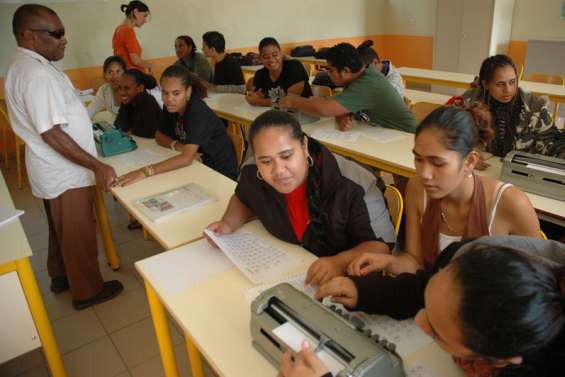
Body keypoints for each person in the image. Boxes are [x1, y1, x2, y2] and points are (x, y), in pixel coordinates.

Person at [283, 236, 565, 377]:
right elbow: (424, 286)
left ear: (500, 360)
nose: (420, 320)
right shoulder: (474, 253)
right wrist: (364, 291)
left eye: (437, 332)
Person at [5, 4, 122, 310]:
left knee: (61, 230)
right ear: (29, 35)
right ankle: (87, 291)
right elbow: (52, 133)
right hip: (63, 171)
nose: (63, 39)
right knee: (78, 231)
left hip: (52, 168)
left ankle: (60, 276)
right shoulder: (36, 75)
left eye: (63, 32)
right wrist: (97, 165)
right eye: (55, 34)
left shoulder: (30, 66)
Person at [342, 106, 541, 278]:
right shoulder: (417, 188)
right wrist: (386, 262)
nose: (425, 174)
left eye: (437, 163)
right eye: (418, 159)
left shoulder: (511, 204)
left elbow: (538, 285)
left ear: (470, 162)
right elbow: (415, 262)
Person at [206, 110, 396, 286]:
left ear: (304, 146)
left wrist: (339, 262)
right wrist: (227, 224)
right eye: (265, 161)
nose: (278, 170)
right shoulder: (253, 172)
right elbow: (243, 197)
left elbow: (381, 247)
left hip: (347, 284)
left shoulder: (355, 185)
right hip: (284, 274)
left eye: (287, 156)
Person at [114, 65, 238, 185]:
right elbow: (159, 136)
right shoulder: (170, 107)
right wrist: (179, 146)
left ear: (188, 91)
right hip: (195, 166)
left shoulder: (197, 111)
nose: (169, 99)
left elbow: (186, 158)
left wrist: (144, 172)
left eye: (176, 93)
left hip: (219, 175)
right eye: (165, 93)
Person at [278, 43, 416, 133]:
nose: (328, 74)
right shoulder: (358, 77)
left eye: (330, 70)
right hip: (380, 133)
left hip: (405, 139)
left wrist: (294, 100)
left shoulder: (367, 83)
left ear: (345, 71)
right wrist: (342, 115)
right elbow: (338, 105)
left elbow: (325, 109)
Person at [460, 54, 565, 158]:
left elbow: (552, 141)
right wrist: (467, 156)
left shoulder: (534, 108)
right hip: (483, 169)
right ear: (486, 84)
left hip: (520, 171)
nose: (508, 90)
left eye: (512, 82)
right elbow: (452, 135)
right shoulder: (470, 103)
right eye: (500, 84)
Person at [246, 37, 312, 107]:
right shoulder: (260, 74)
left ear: (281, 53)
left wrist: (258, 101)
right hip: (275, 114)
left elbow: (290, 102)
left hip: (303, 113)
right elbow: (257, 96)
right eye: (265, 57)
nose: (271, 60)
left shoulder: (295, 67)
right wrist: (252, 97)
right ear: (260, 58)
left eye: (275, 55)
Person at [114, 68, 160, 138]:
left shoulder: (148, 101)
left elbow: (151, 132)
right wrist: (131, 129)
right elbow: (118, 124)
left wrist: (131, 130)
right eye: (120, 88)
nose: (122, 92)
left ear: (140, 88)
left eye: (127, 88)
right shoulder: (127, 100)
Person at [112, 1, 153, 73]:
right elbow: (135, 60)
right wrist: (150, 65)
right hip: (132, 77)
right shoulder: (128, 31)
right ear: (135, 12)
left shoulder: (118, 29)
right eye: (144, 16)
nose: (145, 20)